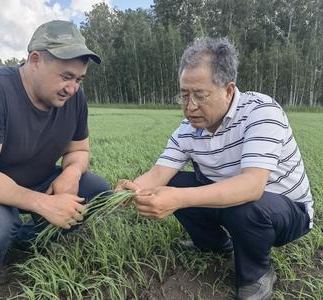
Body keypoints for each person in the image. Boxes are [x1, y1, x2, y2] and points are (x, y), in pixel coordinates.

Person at [117, 37, 313, 300]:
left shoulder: (261, 112)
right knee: (173, 183)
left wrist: (177, 199)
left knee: (243, 204)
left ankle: (256, 275)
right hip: (230, 203)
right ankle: (215, 245)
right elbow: (158, 174)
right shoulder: (187, 129)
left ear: (228, 90)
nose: (190, 106)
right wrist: (132, 189)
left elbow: (252, 186)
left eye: (200, 95)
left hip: (284, 210)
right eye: (184, 95)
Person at [0, 20, 110, 285]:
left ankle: (29, 238)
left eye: (79, 79)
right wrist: (44, 203)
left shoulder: (75, 98)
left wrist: (72, 172)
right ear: (35, 60)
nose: (73, 88)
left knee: (96, 190)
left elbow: (79, 149)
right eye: (66, 76)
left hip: (35, 177)